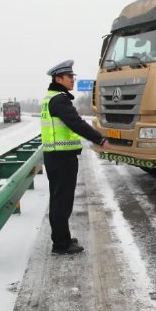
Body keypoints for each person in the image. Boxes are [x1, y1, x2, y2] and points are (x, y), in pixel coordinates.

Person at [41, 60, 106, 255]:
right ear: (58, 78)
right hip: (61, 159)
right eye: (70, 77)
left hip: (56, 157)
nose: (73, 80)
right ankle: (61, 244)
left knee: (58, 200)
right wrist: (99, 139)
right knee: (62, 202)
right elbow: (76, 123)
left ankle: (62, 237)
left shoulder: (51, 97)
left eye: (73, 77)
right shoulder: (59, 100)